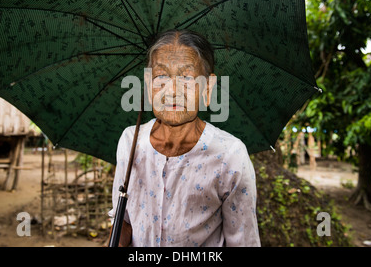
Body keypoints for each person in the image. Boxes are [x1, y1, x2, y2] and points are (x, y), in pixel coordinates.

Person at [109, 29, 260, 247]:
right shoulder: (129, 142)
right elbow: (124, 221)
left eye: (187, 78)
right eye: (161, 76)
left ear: (208, 88)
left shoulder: (230, 156)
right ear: (148, 84)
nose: (171, 91)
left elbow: (244, 241)